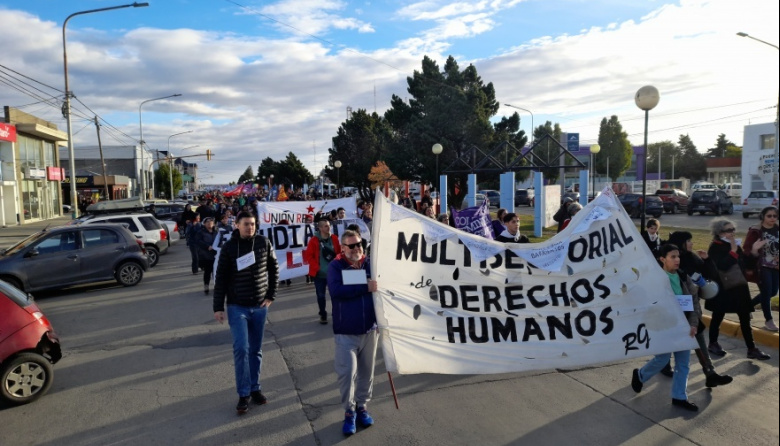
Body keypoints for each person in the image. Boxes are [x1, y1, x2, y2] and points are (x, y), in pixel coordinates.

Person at [213, 211, 279, 414]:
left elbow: (273, 268)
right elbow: (221, 278)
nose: (250, 227)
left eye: (252, 224)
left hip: (259, 307)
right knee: (241, 348)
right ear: (237, 225)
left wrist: (270, 295)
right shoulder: (229, 247)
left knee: (255, 351)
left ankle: (255, 388)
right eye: (246, 224)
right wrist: (218, 306)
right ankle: (243, 394)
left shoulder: (263, 242)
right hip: (237, 306)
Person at [657, 231, 734, 387]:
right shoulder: (667, 264)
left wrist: (707, 260)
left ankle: (710, 372)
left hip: (691, 308)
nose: (691, 244)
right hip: (671, 312)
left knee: (699, 339)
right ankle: (660, 366)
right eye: (688, 241)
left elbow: (711, 274)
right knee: (670, 342)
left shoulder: (693, 258)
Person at [631, 243, 699, 411]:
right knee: (662, 359)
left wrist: (693, 323)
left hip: (683, 326)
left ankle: (679, 397)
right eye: (672, 257)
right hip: (664, 327)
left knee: (683, 364)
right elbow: (647, 303)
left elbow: (694, 301)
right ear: (662, 259)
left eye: (678, 256)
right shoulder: (655, 278)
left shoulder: (683, 277)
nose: (677, 260)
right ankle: (640, 375)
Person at [327, 229, 379, 436]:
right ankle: (349, 412)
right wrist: (364, 287)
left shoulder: (370, 264)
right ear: (343, 248)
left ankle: (362, 407)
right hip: (345, 332)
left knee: (367, 373)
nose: (357, 248)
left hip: (370, 330)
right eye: (352, 245)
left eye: (359, 244)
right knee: (347, 374)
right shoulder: (336, 266)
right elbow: (336, 291)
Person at [705, 219, 771, 360]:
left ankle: (751, 348)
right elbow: (721, 266)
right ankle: (713, 343)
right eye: (728, 230)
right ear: (719, 232)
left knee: (745, 317)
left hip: (739, 286)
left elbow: (746, 264)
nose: (732, 233)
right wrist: (733, 252)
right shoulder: (715, 247)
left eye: (733, 229)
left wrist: (753, 251)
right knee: (718, 316)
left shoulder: (734, 245)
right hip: (724, 288)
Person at [744, 206, 779, 332]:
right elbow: (747, 249)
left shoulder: (777, 229)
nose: (772, 218)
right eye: (769, 216)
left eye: (775, 216)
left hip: (776, 266)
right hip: (761, 266)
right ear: (763, 216)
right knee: (766, 292)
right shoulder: (756, 230)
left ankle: (747, 307)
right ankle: (769, 320)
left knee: (773, 292)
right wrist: (754, 250)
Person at [303, 218, 341, 324]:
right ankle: (323, 314)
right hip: (319, 275)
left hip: (333, 274)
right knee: (321, 295)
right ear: (319, 228)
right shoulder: (313, 241)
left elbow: (338, 253)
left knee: (335, 295)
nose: (328, 227)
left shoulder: (334, 238)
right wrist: (317, 268)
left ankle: (336, 313)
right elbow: (309, 256)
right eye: (325, 226)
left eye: (329, 225)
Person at [195, 217, 218, 294]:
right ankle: (206, 285)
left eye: (211, 221)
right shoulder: (201, 232)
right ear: (204, 223)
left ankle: (216, 286)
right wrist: (207, 246)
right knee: (207, 271)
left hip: (216, 254)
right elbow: (198, 241)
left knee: (216, 272)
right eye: (207, 222)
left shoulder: (216, 231)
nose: (209, 223)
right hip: (206, 255)